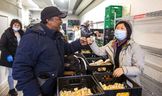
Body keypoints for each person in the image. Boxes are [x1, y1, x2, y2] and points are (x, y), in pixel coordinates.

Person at [12, 6, 87, 96]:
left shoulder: (56, 36)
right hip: (41, 88)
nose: (61, 21)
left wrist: (79, 43)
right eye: (58, 19)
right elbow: (21, 68)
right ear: (48, 20)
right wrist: (34, 93)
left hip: (56, 85)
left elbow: (67, 48)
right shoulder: (32, 38)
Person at [0, 19, 24, 96]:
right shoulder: (6, 34)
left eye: (18, 25)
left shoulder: (22, 33)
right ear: (12, 25)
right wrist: (7, 55)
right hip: (10, 57)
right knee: (11, 74)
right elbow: (2, 46)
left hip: (20, 56)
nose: (17, 26)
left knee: (21, 72)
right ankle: (11, 89)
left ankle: (20, 85)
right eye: (15, 25)